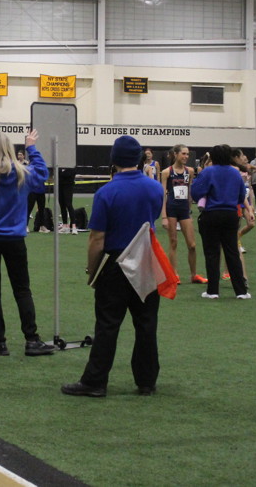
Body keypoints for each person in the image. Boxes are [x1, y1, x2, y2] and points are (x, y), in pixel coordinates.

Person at [61, 135, 164, 398]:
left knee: (108, 324)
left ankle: (95, 381)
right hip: (146, 260)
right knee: (146, 323)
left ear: (114, 159)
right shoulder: (155, 188)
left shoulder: (106, 192)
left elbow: (97, 238)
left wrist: (92, 270)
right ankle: (146, 380)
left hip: (116, 263)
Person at [0, 130, 55, 357]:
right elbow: (43, 173)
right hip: (14, 239)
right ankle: (31, 339)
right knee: (22, 289)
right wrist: (31, 147)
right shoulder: (22, 173)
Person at [190, 144, 251, 299]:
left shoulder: (208, 171)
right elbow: (241, 195)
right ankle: (241, 291)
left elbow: (196, 192)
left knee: (212, 253)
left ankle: (213, 291)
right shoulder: (235, 172)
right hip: (230, 214)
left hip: (211, 214)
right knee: (232, 252)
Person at [160, 144, 203, 284]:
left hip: (184, 210)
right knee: (173, 242)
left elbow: (189, 192)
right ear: (176, 154)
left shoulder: (189, 171)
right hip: (171, 209)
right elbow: (163, 195)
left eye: (187, 154)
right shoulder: (166, 172)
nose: (186, 156)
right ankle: (174, 274)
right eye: (183, 153)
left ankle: (194, 275)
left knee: (192, 245)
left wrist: (189, 210)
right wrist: (164, 216)